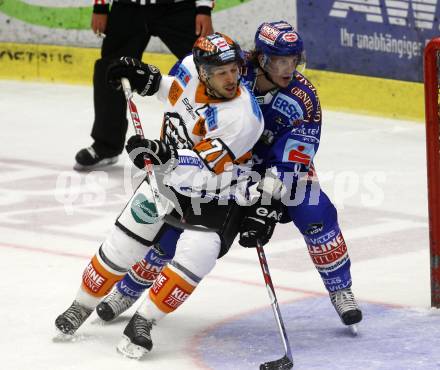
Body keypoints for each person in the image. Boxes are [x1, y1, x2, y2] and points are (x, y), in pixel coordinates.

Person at [95, 21, 363, 337]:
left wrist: (266, 202)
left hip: (279, 175)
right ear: (261, 58)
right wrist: (154, 83)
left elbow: (297, 155)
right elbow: (186, 102)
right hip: (221, 173)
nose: (288, 69)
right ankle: (129, 287)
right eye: (280, 61)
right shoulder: (231, 70)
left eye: (294, 61)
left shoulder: (303, 97)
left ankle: (340, 289)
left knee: (317, 215)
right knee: (173, 229)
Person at [55, 32, 265, 360]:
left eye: (234, 70)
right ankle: (80, 306)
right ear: (204, 72)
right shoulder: (187, 68)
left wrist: (160, 151)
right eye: (221, 72)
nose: (231, 78)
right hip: (166, 182)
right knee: (122, 244)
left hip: (216, 197)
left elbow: (206, 165)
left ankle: (144, 320)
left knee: (197, 257)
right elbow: (174, 91)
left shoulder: (244, 118)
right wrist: (147, 79)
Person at [74, 0, 214, 171]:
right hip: (128, 7)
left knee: (207, 65)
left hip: (178, 7)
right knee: (112, 69)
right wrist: (101, 6)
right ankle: (106, 145)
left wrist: (204, 8)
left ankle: (216, 140)